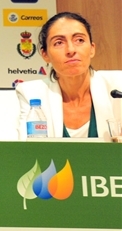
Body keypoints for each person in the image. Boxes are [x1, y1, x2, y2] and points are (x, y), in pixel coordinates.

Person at [16, 12, 122, 140]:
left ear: (92, 49)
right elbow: (28, 148)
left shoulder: (118, 86)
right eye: (59, 43)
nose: (71, 50)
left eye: (79, 40)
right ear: (45, 55)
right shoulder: (31, 93)